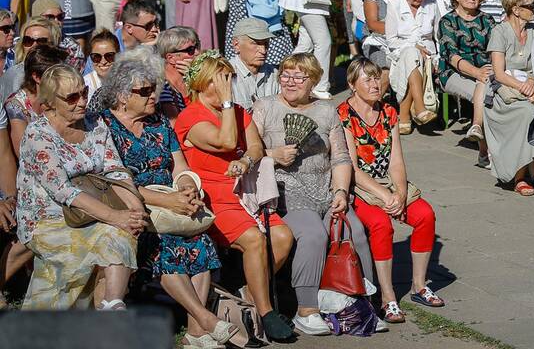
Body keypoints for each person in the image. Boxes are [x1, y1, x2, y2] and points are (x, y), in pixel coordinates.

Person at [98, 53, 237, 346]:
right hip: (132, 204)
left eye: (154, 90)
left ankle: (196, 335)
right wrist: (167, 202)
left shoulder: (158, 121)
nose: (153, 97)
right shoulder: (105, 127)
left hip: (171, 199)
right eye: (144, 92)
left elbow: (180, 166)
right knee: (167, 245)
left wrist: (187, 188)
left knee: (200, 241)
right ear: (123, 96)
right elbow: (113, 181)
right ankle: (205, 319)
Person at [174, 52, 297, 340]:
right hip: (212, 197)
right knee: (254, 239)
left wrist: (247, 161)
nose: (228, 85)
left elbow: (254, 146)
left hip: (245, 192)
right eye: (221, 80)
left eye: (229, 79)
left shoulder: (239, 111)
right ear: (203, 84)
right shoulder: (191, 117)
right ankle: (266, 313)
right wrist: (228, 103)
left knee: (282, 237)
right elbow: (227, 141)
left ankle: (251, 293)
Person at [252, 53, 375, 336]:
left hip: (325, 189)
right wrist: (272, 154)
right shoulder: (265, 107)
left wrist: (341, 191)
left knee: (353, 229)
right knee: (314, 234)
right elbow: (248, 151)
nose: (290, 82)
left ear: (314, 81)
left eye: (299, 77)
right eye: (285, 75)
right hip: (286, 191)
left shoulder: (326, 110)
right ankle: (306, 310)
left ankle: (363, 305)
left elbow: (341, 157)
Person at [15, 64, 142, 309]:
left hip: (92, 210)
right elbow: (63, 191)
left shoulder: (94, 123)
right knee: (111, 233)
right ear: (50, 102)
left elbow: (114, 169)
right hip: (48, 217)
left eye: (84, 92)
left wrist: (135, 209)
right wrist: (116, 216)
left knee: (121, 232)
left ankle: (112, 306)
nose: (82, 101)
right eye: (72, 97)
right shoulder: (38, 135)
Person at [338, 57, 442, 324]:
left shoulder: (389, 112)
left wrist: (401, 193)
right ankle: (387, 296)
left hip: (388, 182)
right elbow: (350, 167)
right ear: (352, 85)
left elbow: (396, 159)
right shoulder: (343, 115)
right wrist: (385, 196)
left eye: (376, 78)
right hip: (358, 186)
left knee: (425, 215)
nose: (375, 84)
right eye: (367, 79)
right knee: (381, 224)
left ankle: (419, 285)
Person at [486, 0, 534, 193]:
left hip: (531, 85)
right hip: (505, 91)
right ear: (516, 9)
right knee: (528, 112)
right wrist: (523, 86)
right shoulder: (500, 32)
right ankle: (522, 175)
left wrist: (531, 81)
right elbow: (499, 73)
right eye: (531, 5)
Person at [437, 0, 496, 146]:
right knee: (487, 96)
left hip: (485, 70)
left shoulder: (487, 20)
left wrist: (486, 71)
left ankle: (478, 132)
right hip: (454, 72)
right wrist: (476, 72)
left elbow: (495, 48)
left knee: (487, 90)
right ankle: (485, 148)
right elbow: (451, 55)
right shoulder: (448, 21)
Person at [385, 0, 439, 132]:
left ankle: (404, 117)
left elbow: (437, 36)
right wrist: (413, 46)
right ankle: (420, 109)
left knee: (412, 60)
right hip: (400, 51)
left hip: (428, 54)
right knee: (410, 54)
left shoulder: (432, 4)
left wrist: (438, 58)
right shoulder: (394, 5)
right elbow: (392, 41)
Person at [229, 18, 281, 109]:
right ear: (236, 45)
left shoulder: (275, 75)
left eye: (266, 43)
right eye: (255, 43)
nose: (263, 50)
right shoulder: (226, 75)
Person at [156, 27, 198, 120]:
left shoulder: (191, 80)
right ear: (171, 58)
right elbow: (178, 126)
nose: (197, 53)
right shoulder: (163, 88)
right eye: (190, 50)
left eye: (197, 47)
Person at [84, 29, 120, 101]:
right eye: (97, 56)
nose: (103, 62)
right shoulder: (86, 84)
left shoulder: (128, 80)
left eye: (109, 56)